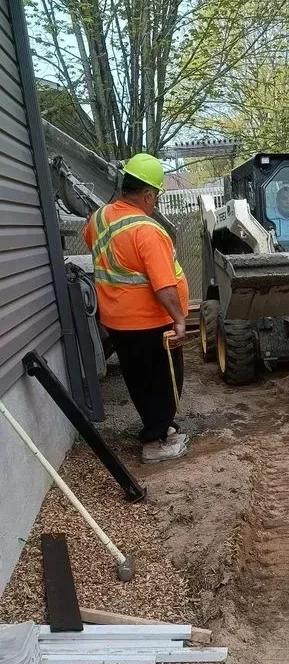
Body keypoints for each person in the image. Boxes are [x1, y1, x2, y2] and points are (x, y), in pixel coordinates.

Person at [84, 153, 190, 464]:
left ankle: (161, 428)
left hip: (118, 322)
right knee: (164, 382)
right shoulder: (147, 230)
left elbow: (98, 249)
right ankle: (155, 443)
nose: (154, 203)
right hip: (151, 324)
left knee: (141, 381)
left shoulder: (99, 219)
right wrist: (180, 320)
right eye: (155, 197)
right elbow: (164, 286)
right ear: (146, 194)